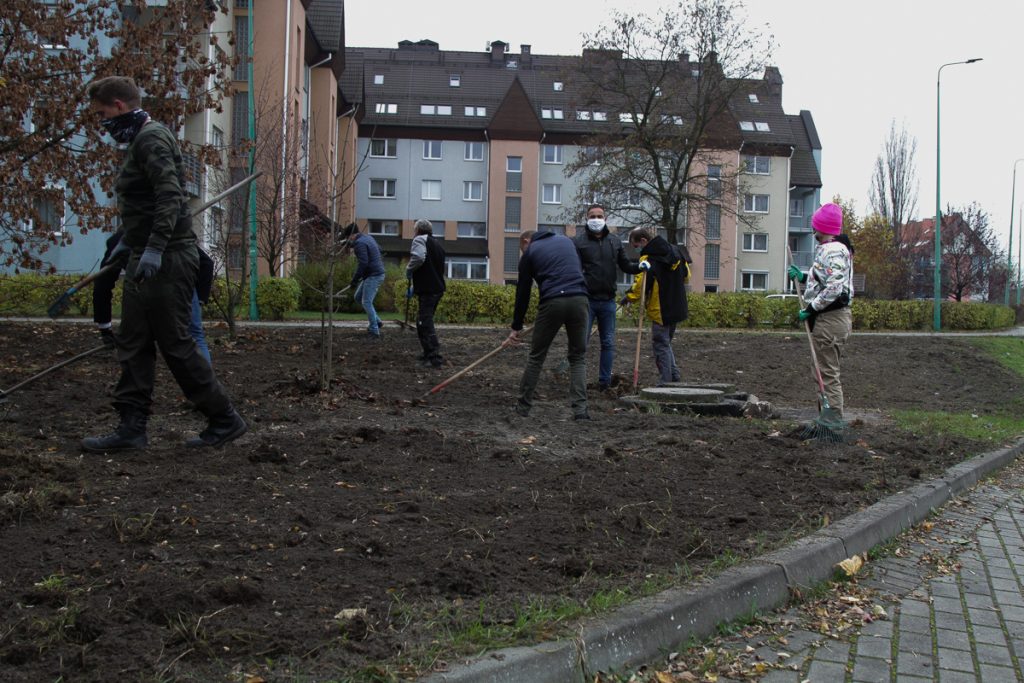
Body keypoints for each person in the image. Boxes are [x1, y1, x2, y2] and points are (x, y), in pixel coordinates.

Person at [81, 76, 245, 452]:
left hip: (168, 257)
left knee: (176, 345)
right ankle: (131, 427)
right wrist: (128, 242)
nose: (103, 123)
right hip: (145, 253)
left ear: (119, 106)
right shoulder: (140, 139)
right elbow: (145, 202)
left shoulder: (151, 138)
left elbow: (170, 195)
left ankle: (224, 418)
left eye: (103, 114)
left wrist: (154, 248)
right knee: (134, 343)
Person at [93, 230, 215, 364]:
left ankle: (138, 381)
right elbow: (207, 263)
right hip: (181, 287)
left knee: (138, 343)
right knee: (194, 337)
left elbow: (103, 283)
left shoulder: (119, 240)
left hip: (143, 292)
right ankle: (205, 383)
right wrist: (199, 301)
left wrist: (105, 328)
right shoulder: (173, 234)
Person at [506, 229, 591, 420]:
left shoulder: (530, 251)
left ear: (526, 240)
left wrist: (516, 327)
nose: (523, 252)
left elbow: (523, 292)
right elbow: (579, 268)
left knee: (536, 357)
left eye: (522, 248)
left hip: (552, 301)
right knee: (578, 357)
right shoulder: (567, 242)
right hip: (580, 298)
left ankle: (522, 407)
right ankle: (581, 411)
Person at [788, 202, 855, 416]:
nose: (813, 229)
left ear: (823, 227)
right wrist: (805, 277)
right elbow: (828, 279)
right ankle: (826, 419)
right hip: (828, 319)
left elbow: (835, 287)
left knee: (826, 373)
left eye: (815, 225)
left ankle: (832, 422)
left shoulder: (833, 250)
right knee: (822, 372)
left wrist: (811, 308)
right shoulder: (832, 250)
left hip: (830, 319)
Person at [573, 203, 642, 391]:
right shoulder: (578, 242)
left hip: (608, 301)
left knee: (608, 343)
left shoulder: (615, 241)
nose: (596, 219)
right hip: (586, 300)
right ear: (587, 219)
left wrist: (640, 267)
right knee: (581, 342)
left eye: (599, 216)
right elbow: (574, 269)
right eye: (592, 216)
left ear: (605, 219)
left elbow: (626, 265)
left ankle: (604, 382)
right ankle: (578, 380)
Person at [621, 227, 690, 386]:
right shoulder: (676, 250)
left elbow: (640, 287)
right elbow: (687, 276)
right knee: (666, 343)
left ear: (644, 241)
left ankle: (665, 382)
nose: (637, 250)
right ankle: (674, 375)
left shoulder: (648, 258)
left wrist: (629, 297)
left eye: (637, 246)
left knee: (660, 344)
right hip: (678, 304)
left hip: (661, 308)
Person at [405, 219, 446, 368]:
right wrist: (415, 286)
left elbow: (419, 258)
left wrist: (409, 270)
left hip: (429, 290)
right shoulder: (437, 244)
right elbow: (430, 268)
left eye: (414, 230)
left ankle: (434, 357)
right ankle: (427, 353)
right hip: (437, 288)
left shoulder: (419, 240)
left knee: (425, 323)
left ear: (418, 230)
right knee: (422, 322)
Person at [342, 222, 386, 339]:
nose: (348, 240)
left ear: (351, 235)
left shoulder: (359, 244)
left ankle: (374, 331)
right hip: (374, 274)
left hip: (374, 275)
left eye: (347, 238)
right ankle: (377, 321)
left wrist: (354, 280)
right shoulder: (367, 237)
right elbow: (379, 249)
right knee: (358, 297)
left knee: (366, 302)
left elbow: (363, 264)